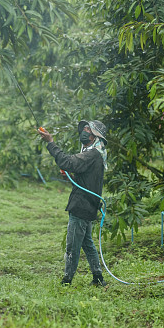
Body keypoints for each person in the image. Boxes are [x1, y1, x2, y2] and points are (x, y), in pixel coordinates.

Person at [38, 120, 108, 286]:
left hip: (82, 206)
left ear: (94, 137)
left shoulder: (92, 154)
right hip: (87, 205)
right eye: (84, 128)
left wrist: (50, 142)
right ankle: (98, 278)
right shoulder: (94, 154)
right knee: (87, 243)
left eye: (88, 130)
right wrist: (71, 176)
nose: (84, 131)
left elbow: (67, 162)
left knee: (72, 247)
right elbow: (85, 179)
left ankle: (67, 281)